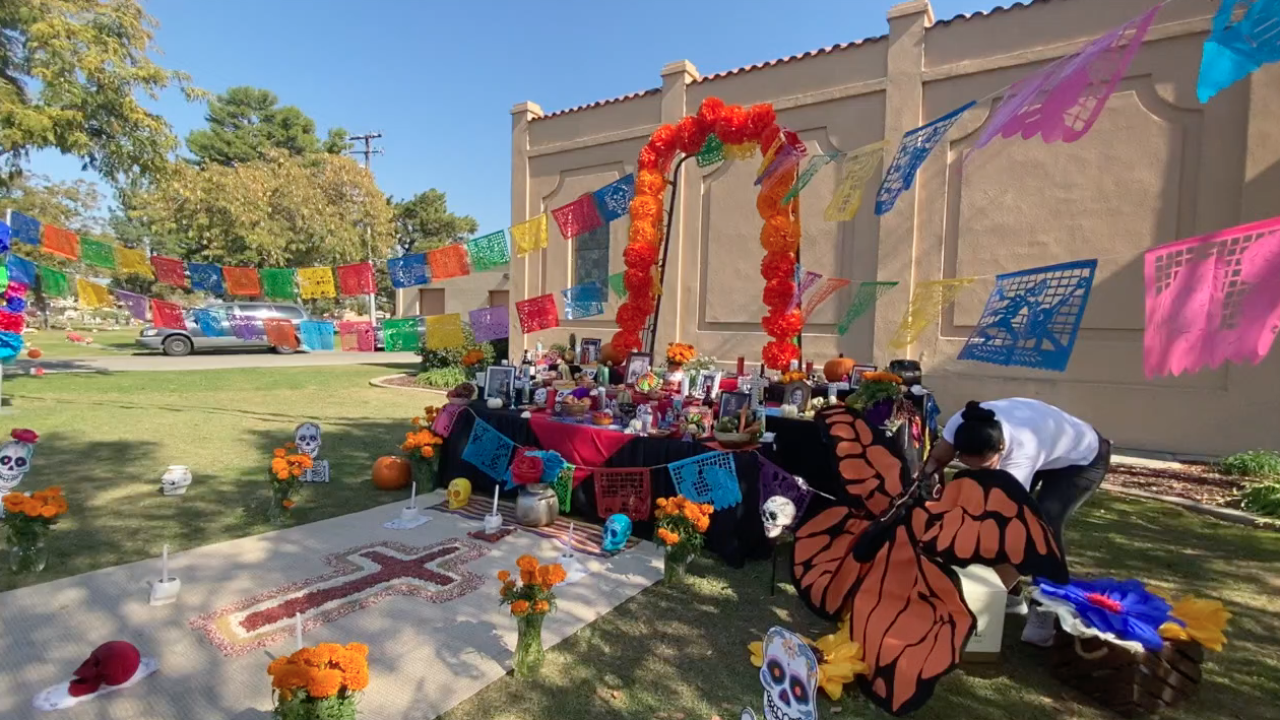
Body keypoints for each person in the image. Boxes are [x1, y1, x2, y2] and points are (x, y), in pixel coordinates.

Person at [919, 398, 1112, 646]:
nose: (980, 473)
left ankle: (1043, 613)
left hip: (1083, 459)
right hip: (1046, 444)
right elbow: (935, 461)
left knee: (1043, 527)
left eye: (986, 466)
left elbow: (1002, 523)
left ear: (1000, 448)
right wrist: (928, 495)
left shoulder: (1022, 452)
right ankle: (1010, 597)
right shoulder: (961, 425)